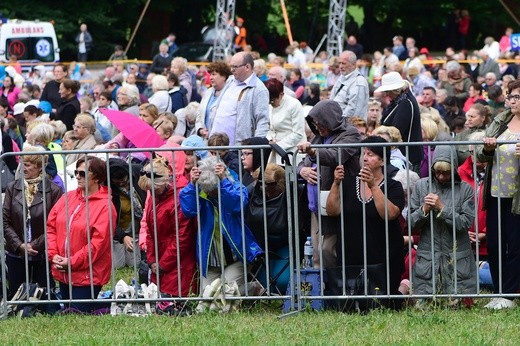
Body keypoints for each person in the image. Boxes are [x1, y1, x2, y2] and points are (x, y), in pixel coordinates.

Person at [326, 136, 405, 308]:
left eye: (370, 154)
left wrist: (373, 186)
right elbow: (332, 211)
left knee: (383, 304)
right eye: (364, 153)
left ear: (382, 161)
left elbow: (390, 215)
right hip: (351, 252)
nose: (365, 157)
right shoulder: (348, 183)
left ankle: (399, 293)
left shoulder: (393, 186)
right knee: (351, 306)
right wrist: (336, 183)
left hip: (384, 254)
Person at [180, 156, 263, 296]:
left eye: (213, 190)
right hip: (211, 261)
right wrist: (192, 186)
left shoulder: (235, 186)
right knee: (206, 299)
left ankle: (252, 288)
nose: (209, 193)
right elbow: (188, 210)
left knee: (223, 295)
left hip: (237, 258)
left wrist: (223, 182)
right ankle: (245, 289)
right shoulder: (200, 191)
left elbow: (237, 204)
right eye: (206, 190)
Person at [297, 100, 362, 268]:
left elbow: (335, 155)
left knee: (328, 250)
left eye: (321, 123)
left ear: (330, 119)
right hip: (316, 205)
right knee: (317, 252)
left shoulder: (350, 134)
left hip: (337, 202)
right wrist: (302, 171)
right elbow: (302, 163)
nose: (318, 127)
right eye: (315, 124)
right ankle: (321, 290)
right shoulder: (319, 137)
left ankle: (335, 288)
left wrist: (312, 151)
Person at [47, 156, 116, 312]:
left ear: (97, 177)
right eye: (76, 172)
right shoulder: (67, 197)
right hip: (63, 271)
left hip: (87, 276)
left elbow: (98, 244)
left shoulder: (106, 206)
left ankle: (106, 307)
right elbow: (51, 226)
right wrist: (53, 255)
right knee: (67, 313)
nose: (77, 176)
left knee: (76, 314)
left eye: (83, 173)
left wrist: (71, 262)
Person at [410, 145, 476, 307]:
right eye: (437, 171)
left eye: (445, 172)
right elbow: (410, 223)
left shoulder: (466, 190)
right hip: (428, 253)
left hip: (456, 254)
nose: (440, 176)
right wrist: (424, 210)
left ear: (454, 169)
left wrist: (443, 209)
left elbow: (466, 223)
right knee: (423, 307)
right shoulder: (420, 186)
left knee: (457, 306)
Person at [478, 79, 520, 309]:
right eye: (510, 96)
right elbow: (482, 157)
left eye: (516, 97)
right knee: (494, 244)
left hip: (517, 197)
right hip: (495, 193)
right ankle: (499, 291)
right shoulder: (501, 121)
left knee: (515, 245)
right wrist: (488, 148)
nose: (511, 101)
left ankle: (510, 294)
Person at [3, 145, 63, 299]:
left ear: (39, 167)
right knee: (17, 297)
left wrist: (34, 244)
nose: (23, 168)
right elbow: (5, 221)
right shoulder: (12, 188)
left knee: (43, 297)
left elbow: (54, 224)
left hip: (42, 252)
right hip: (15, 251)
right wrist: (19, 245)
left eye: (28, 165)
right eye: (22, 163)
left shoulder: (54, 191)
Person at [139, 155, 197, 302]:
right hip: (159, 260)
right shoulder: (155, 195)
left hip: (178, 262)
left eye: (154, 190)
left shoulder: (179, 199)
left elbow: (182, 238)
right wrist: (152, 260)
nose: (151, 193)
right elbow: (150, 232)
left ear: (165, 183)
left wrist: (163, 264)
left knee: (168, 303)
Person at [207, 52, 269, 145]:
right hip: (215, 145)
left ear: (247, 67)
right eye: (231, 66)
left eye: (235, 67)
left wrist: (255, 149)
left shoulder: (259, 89)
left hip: (237, 149)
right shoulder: (230, 81)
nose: (231, 70)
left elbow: (262, 121)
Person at [376, 72, 423, 171]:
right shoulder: (403, 100)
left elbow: (396, 131)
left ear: (395, 90)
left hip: (406, 157)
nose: (387, 94)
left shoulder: (405, 103)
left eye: (388, 91)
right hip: (404, 156)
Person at [107, 158, 146, 270]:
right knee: (118, 265)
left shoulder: (138, 172)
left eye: (124, 181)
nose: (122, 184)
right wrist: (122, 236)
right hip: (118, 230)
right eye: (118, 183)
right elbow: (110, 219)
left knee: (134, 263)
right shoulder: (109, 189)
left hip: (136, 228)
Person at [265, 78, 305, 164]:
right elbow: (268, 127)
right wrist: (269, 140)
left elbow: (298, 133)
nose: (271, 103)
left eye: (273, 100)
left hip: (291, 152)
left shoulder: (294, 104)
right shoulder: (269, 105)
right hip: (272, 152)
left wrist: (278, 145)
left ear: (281, 94)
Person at [195, 61, 232, 139]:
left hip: (222, 141)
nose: (211, 77)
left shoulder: (230, 94)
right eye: (210, 74)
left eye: (214, 74)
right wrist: (200, 130)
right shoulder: (208, 92)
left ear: (224, 76)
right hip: (206, 140)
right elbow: (199, 113)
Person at [329, 50, 369, 120]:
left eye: (344, 63)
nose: (340, 66)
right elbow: (332, 99)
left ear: (353, 64)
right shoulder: (342, 77)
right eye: (339, 63)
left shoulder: (359, 82)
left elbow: (353, 112)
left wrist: (338, 123)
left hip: (348, 127)